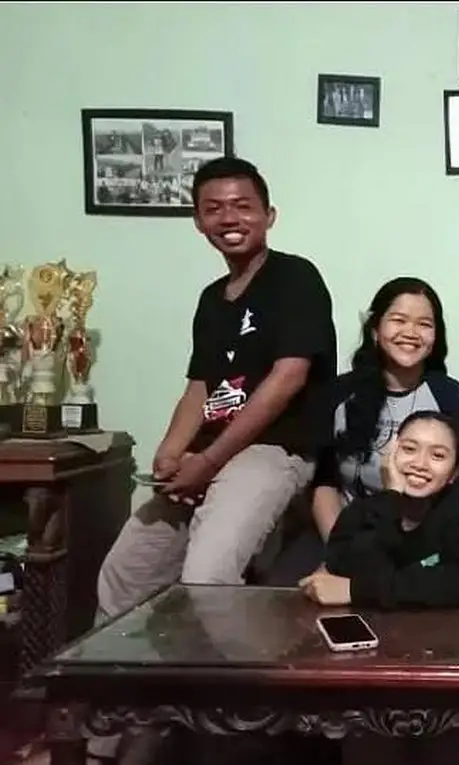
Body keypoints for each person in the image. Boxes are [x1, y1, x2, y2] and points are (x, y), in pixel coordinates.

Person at [90, 156, 336, 762]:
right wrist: (173, 452)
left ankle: (215, 740)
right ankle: (114, 736)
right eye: (213, 208)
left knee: (206, 579)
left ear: (269, 215)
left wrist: (210, 460)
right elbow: (201, 387)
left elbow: (287, 379)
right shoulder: (211, 299)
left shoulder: (296, 278)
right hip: (211, 455)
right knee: (123, 574)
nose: (229, 218)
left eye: (242, 206)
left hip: (273, 451)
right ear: (198, 222)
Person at [267, 277, 459, 584]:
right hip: (340, 532)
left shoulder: (453, 400)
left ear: (436, 337)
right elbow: (324, 482)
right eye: (398, 320)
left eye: (424, 324)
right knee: (285, 593)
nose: (411, 332)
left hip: (420, 542)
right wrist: (342, 553)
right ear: (375, 331)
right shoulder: (339, 394)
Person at [299, 411, 459, 610]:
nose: (420, 464)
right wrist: (391, 497)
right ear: (390, 455)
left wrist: (355, 590)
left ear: (454, 473)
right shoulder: (361, 512)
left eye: (437, 455)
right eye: (409, 449)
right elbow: (349, 568)